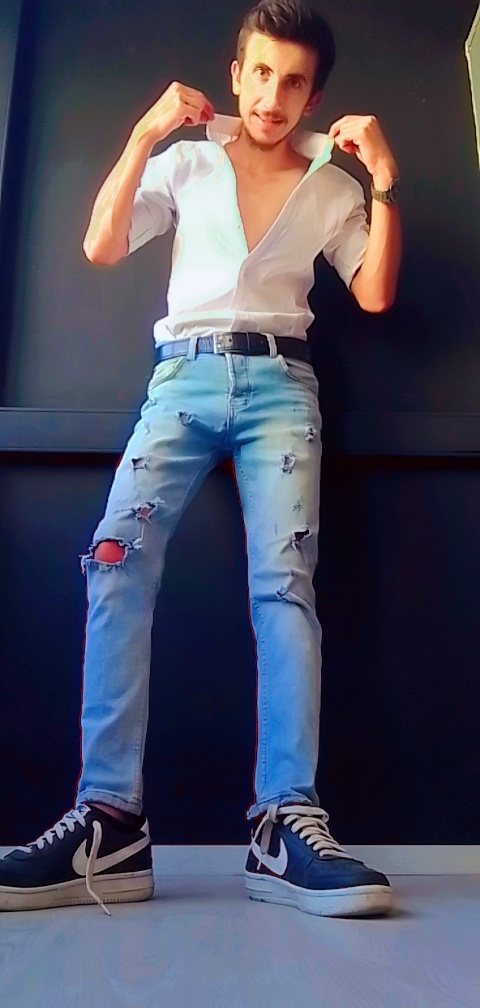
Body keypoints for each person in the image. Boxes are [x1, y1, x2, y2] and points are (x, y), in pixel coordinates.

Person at [0, 0, 401, 918]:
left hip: (282, 388)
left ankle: (284, 821)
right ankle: (110, 821)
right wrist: (144, 134)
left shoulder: (332, 184)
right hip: (181, 380)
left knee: (286, 586)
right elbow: (101, 244)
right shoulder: (186, 160)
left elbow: (375, 292)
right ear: (236, 74)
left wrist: (384, 180)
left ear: (313, 94)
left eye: (293, 81)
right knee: (115, 559)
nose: (272, 95)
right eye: (260, 73)